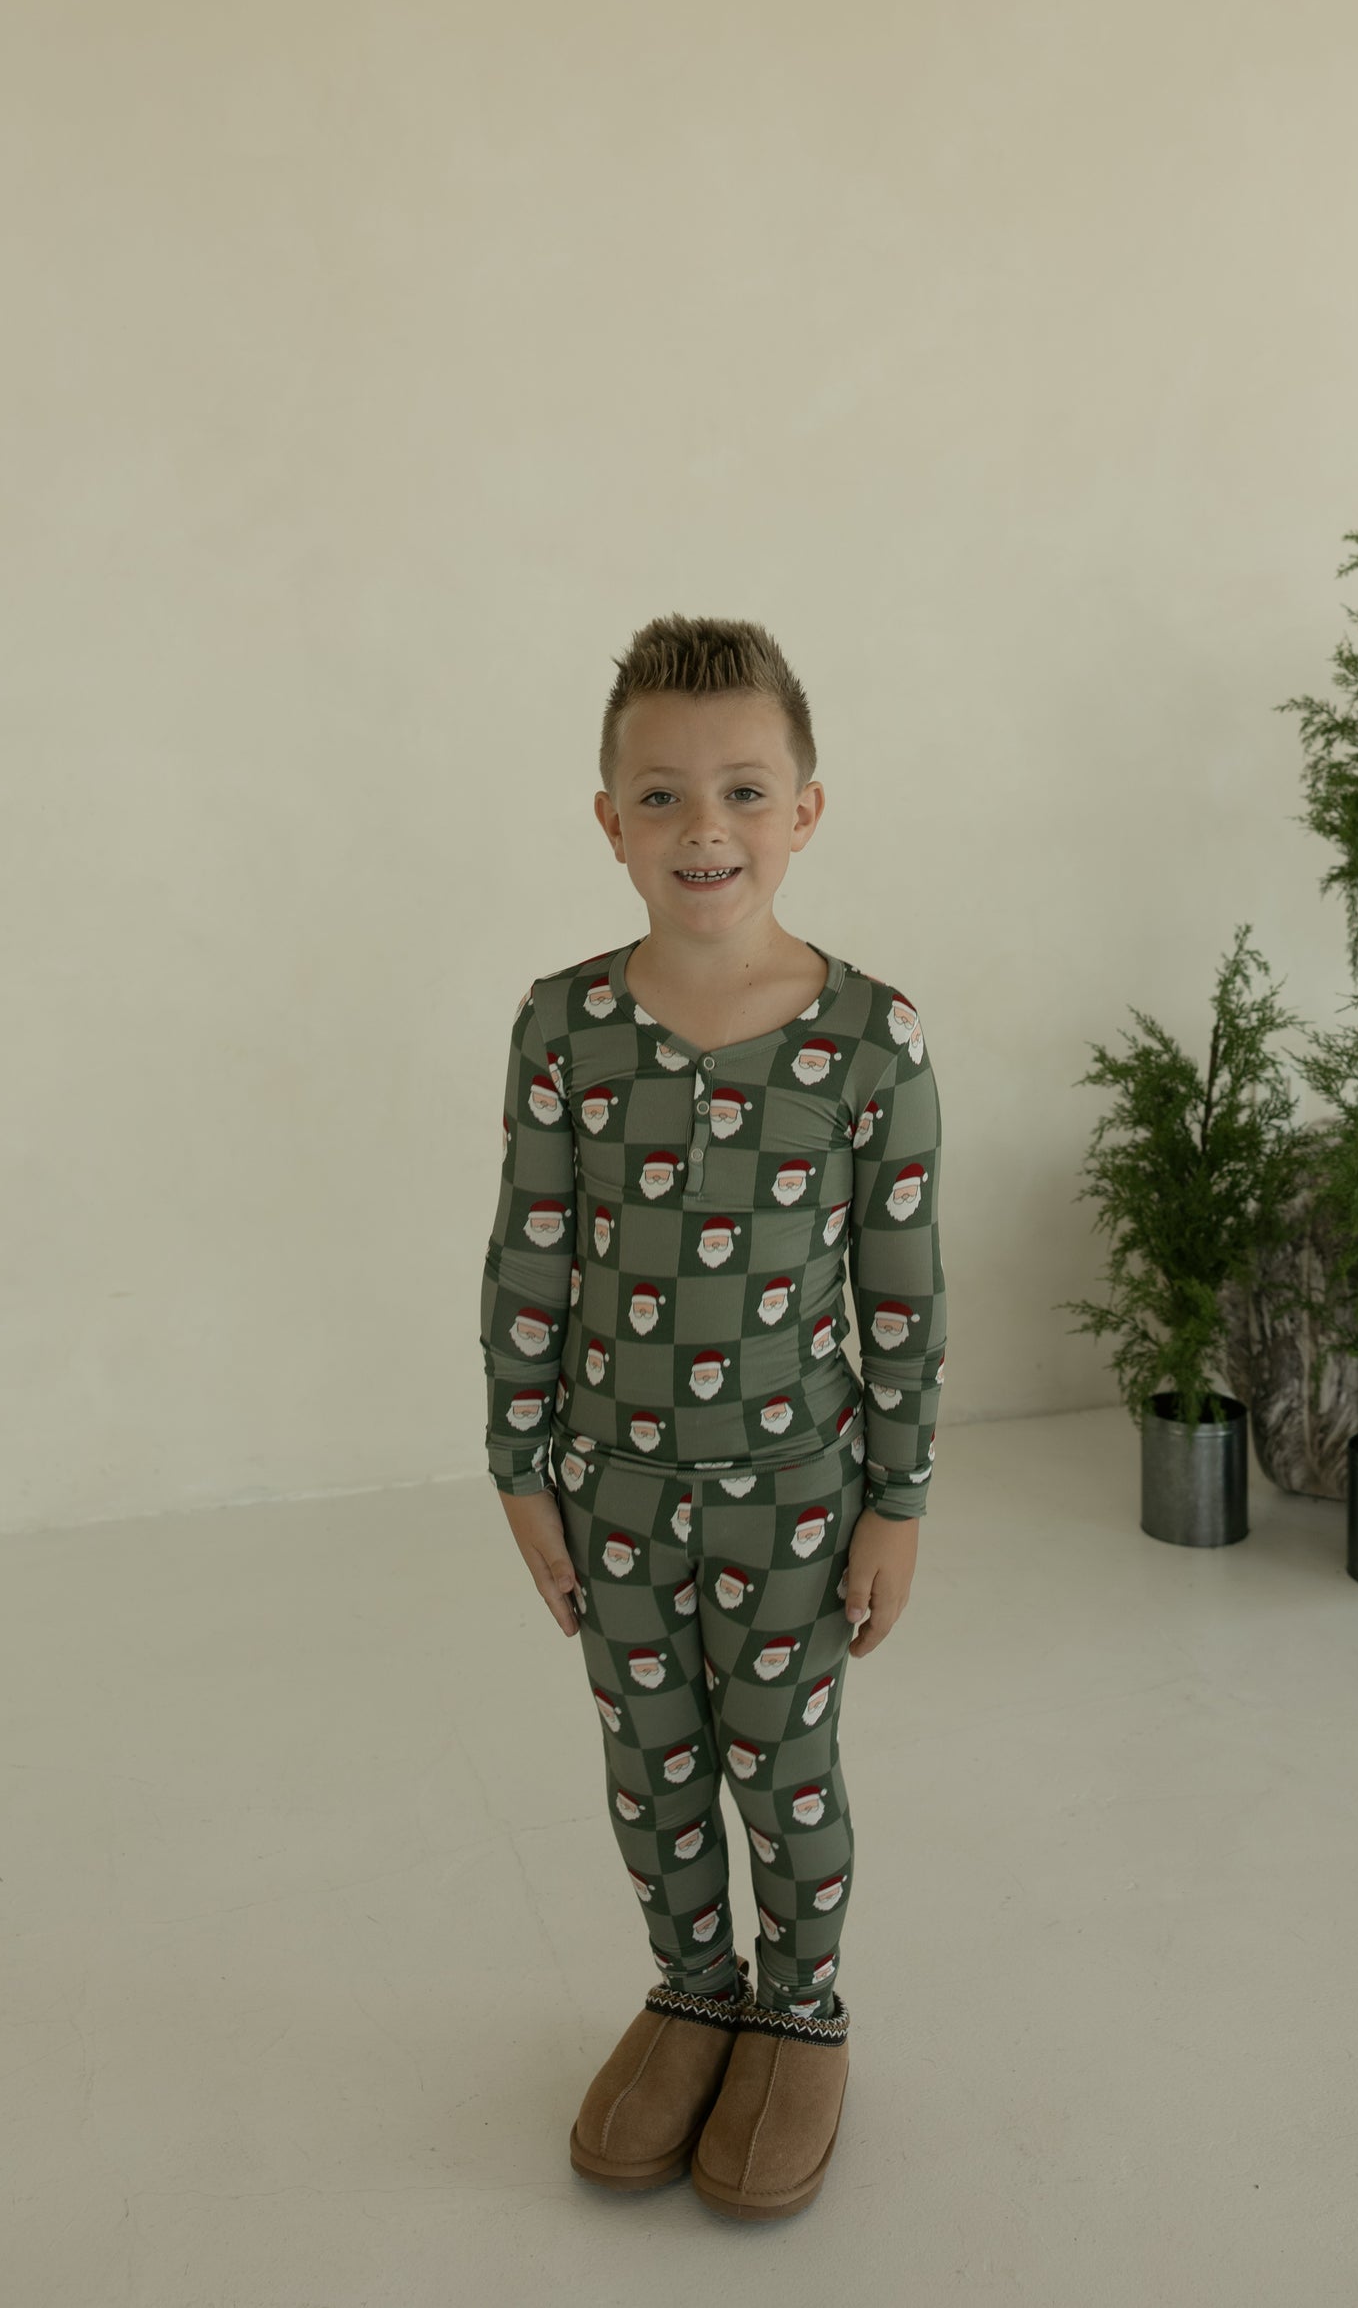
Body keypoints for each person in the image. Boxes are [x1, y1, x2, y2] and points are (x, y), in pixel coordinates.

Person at [478, 613, 947, 2221]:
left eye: (744, 791)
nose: (706, 830)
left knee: (781, 1762)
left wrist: (895, 1503)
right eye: (662, 797)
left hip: (793, 1496)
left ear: (804, 810)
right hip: (610, 1488)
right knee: (651, 1764)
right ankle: (693, 1991)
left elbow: (900, 1296)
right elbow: (529, 1261)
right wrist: (519, 1473)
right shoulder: (566, 1029)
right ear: (608, 821)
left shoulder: (868, 1040)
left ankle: (797, 2009)